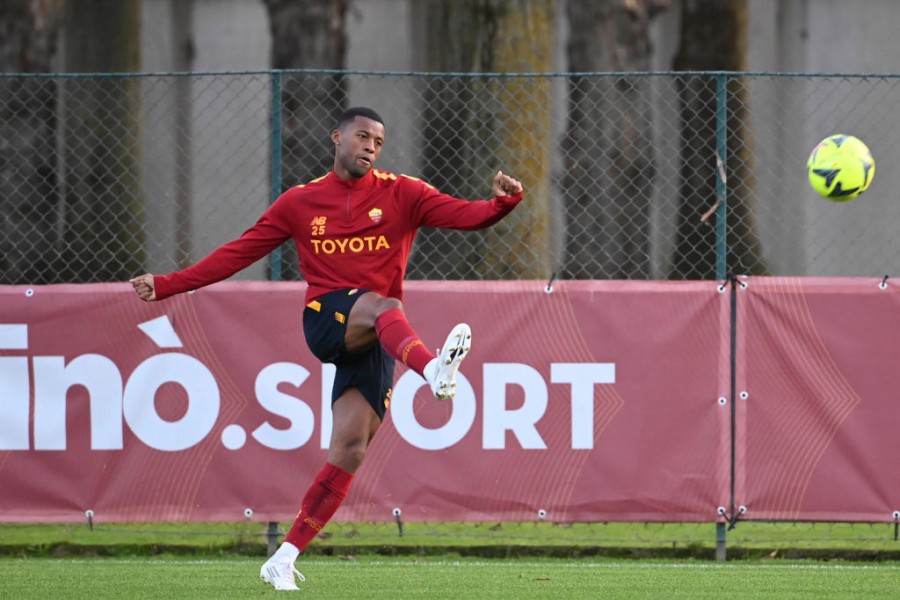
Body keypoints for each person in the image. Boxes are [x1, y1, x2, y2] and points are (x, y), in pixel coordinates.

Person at [129, 106, 523, 591]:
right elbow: (238, 251)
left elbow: (467, 215)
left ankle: (284, 556)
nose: (370, 147)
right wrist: (168, 285)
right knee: (382, 305)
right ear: (337, 137)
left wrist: (504, 203)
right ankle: (434, 372)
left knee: (351, 450)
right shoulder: (301, 202)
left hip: (381, 337)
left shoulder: (404, 192)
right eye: (362, 137)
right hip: (328, 320)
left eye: (378, 142)